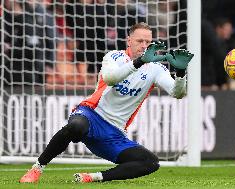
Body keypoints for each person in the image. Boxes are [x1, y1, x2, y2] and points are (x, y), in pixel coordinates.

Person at [19, 22, 193, 183]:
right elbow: (110, 78)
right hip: (92, 115)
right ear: (129, 41)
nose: (144, 45)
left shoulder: (156, 69)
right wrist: (139, 62)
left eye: (148, 41)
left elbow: (177, 93)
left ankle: (93, 177)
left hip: (114, 134)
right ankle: (37, 168)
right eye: (140, 40)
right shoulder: (114, 57)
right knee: (75, 127)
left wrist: (180, 73)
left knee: (151, 163)